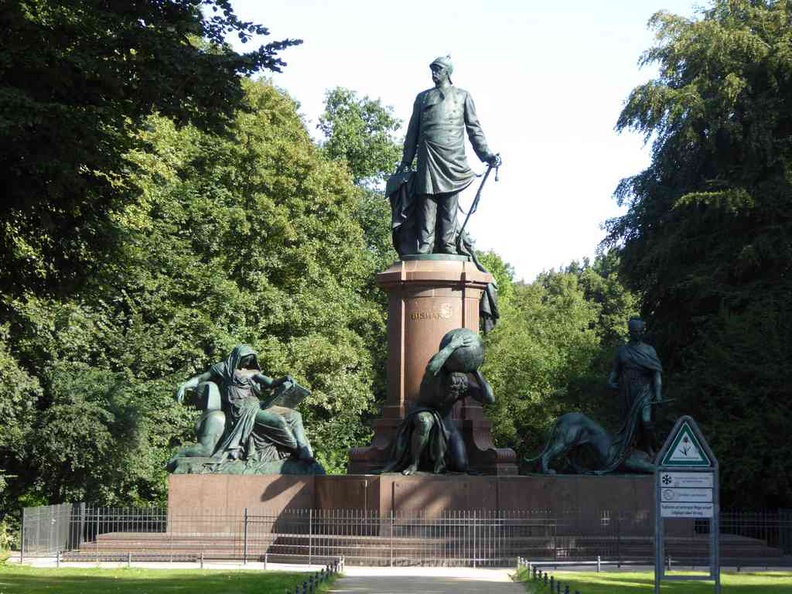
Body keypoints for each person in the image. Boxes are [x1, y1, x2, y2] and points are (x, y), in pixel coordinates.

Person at [396, 56, 501, 254]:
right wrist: (406, 161)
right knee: (427, 200)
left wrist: (487, 155)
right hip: (428, 156)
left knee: (449, 202)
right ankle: (425, 244)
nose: (434, 74)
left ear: (448, 72)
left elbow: (474, 129)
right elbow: (412, 133)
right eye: (432, 70)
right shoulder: (422, 98)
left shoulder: (463, 96)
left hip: (453, 157)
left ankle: (448, 244)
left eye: (438, 70)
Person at [175, 345, 314, 464]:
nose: (247, 362)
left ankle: (305, 449)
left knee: (294, 415)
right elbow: (201, 378)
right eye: (245, 359)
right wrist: (186, 385)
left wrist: (285, 378)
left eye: (250, 360)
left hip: (257, 405)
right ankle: (298, 451)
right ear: (237, 357)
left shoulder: (252, 373)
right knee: (277, 421)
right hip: (240, 409)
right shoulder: (223, 369)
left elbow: (271, 383)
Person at [382, 329, 495, 475]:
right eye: (453, 388)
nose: (456, 391)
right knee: (424, 421)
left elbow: (490, 399)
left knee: (461, 465)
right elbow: (433, 367)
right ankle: (414, 463)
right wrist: (452, 346)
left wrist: (475, 371)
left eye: (459, 390)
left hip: (446, 421)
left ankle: (440, 463)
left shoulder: (463, 383)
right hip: (423, 410)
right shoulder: (434, 377)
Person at [608, 318, 663, 457]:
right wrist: (611, 381)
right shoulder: (622, 351)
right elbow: (616, 370)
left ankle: (651, 448)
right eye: (634, 332)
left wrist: (658, 394)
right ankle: (629, 450)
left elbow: (656, 373)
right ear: (630, 332)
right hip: (626, 390)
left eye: (640, 331)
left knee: (646, 420)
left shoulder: (649, 350)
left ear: (643, 332)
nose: (637, 334)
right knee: (627, 423)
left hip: (644, 389)